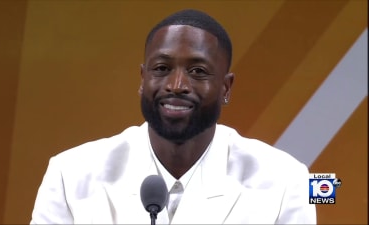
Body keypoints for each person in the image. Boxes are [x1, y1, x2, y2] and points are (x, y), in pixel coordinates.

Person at [30, 9, 316, 224]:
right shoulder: (70, 174)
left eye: (198, 71)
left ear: (226, 87)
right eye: (162, 68)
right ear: (143, 79)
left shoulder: (287, 180)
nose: (177, 85)